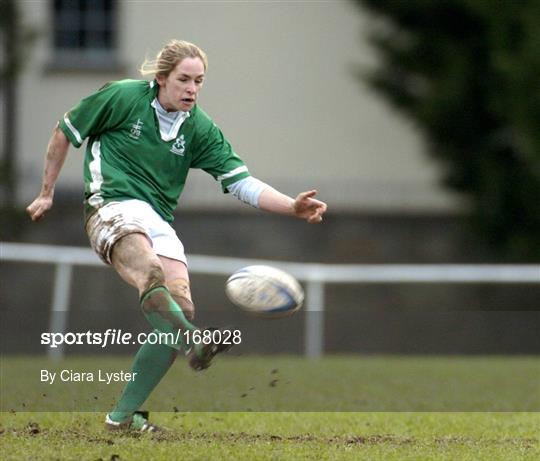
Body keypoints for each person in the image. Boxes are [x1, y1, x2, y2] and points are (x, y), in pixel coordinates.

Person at [26, 39, 327, 432]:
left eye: (199, 81)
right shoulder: (122, 97)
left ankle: (121, 418)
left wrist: (291, 206)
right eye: (184, 79)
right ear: (161, 78)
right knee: (149, 272)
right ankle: (194, 343)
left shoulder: (200, 128)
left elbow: (241, 182)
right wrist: (47, 191)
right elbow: (64, 131)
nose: (192, 89)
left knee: (180, 309)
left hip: (158, 221)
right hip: (110, 207)